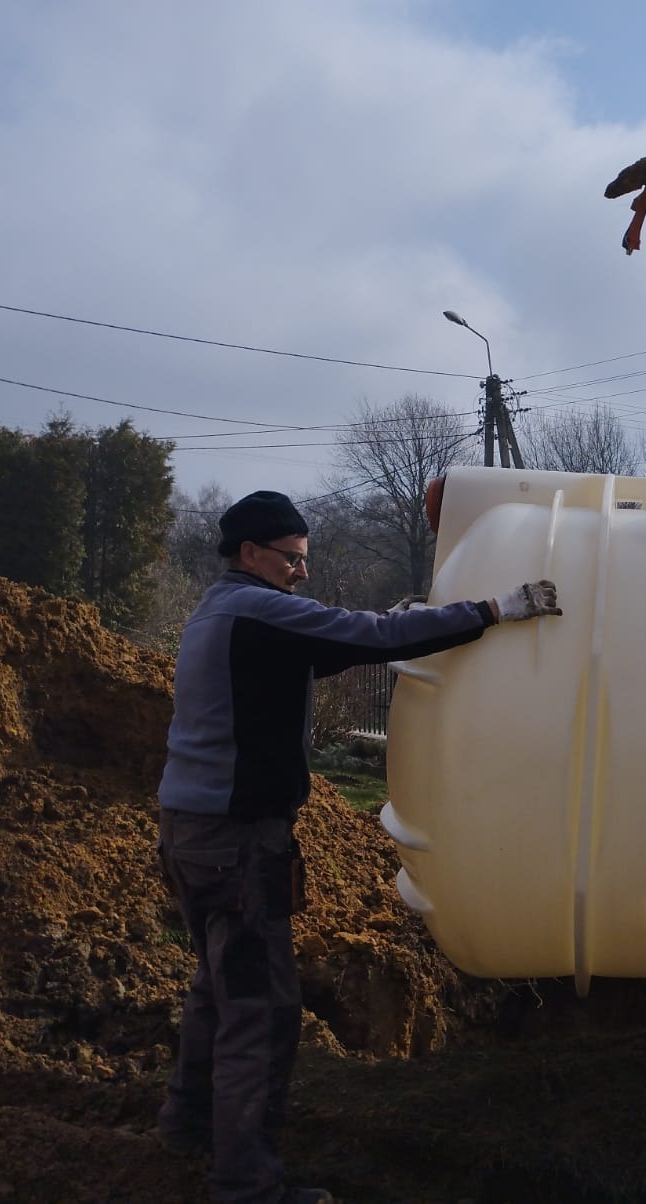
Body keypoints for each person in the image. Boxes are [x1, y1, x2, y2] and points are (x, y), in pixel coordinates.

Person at [154, 489, 560, 1203]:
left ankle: (186, 1127)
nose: (301, 572)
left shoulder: (222, 612)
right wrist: (495, 610)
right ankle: (245, 1185)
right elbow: (366, 636)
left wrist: (396, 625)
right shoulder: (256, 608)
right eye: (292, 559)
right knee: (261, 1010)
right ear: (251, 554)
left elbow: (311, 657)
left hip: (194, 832)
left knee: (217, 990)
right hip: (235, 838)